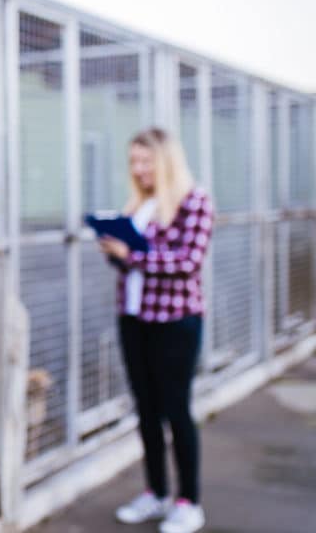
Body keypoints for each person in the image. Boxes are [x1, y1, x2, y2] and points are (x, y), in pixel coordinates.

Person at [97, 127, 213, 533]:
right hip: (134, 319)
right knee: (146, 411)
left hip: (175, 322)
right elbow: (132, 265)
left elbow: (188, 262)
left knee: (176, 411)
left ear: (165, 161)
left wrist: (133, 254)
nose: (139, 169)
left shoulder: (194, 201)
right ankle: (156, 493)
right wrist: (115, 250)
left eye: (146, 161)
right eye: (133, 161)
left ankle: (188, 502)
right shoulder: (139, 203)